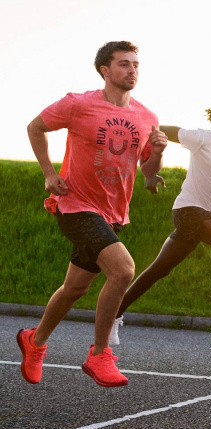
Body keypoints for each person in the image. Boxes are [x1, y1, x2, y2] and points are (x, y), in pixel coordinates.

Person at [18, 41, 167, 387]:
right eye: (124, 64)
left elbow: (147, 171)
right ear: (105, 70)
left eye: (135, 65)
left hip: (112, 212)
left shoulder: (147, 117)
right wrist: (49, 173)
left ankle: (34, 341)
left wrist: (158, 154)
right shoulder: (78, 104)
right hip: (75, 204)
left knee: (74, 288)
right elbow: (35, 127)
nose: (132, 70)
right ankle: (99, 354)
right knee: (123, 270)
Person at [111, 99, 211, 344]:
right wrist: (149, 171)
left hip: (202, 213)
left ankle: (113, 314)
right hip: (189, 210)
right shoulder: (202, 137)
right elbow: (156, 130)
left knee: (159, 270)